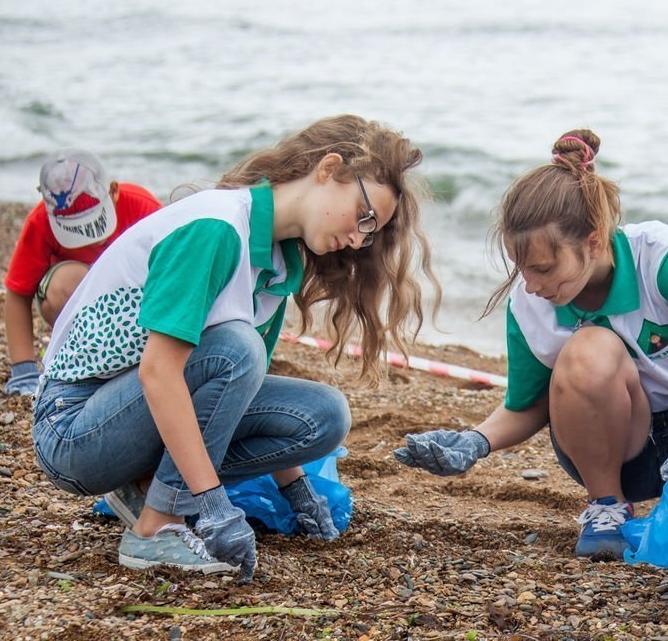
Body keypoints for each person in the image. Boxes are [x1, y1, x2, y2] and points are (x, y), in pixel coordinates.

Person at [33, 115, 439, 581]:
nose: (359, 238)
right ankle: (156, 527)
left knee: (324, 415)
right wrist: (212, 504)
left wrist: (297, 487)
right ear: (328, 169)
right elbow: (159, 372)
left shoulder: (277, 264)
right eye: (365, 217)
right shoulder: (217, 226)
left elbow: (235, 395)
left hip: (131, 419)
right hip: (72, 429)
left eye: (372, 233)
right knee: (235, 349)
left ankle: (147, 487)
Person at [395, 130, 668, 558]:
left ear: (594, 242)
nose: (532, 285)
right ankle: (607, 508)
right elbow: (528, 405)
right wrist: (475, 441)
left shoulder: (661, 255)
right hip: (611, 446)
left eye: (543, 268)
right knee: (590, 348)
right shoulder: (528, 303)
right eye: (522, 268)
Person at [4, 149, 162, 396]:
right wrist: (23, 371)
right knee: (64, 283)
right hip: (77, 308)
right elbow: (17, 293)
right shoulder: (40, 221)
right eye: (77, 230)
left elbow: (175, 269)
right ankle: (83, 358)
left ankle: (133, 356)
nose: (94, 240)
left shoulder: (143, 207)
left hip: (135, 304)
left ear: (113, 191)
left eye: (97, 221)